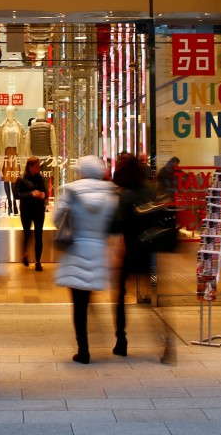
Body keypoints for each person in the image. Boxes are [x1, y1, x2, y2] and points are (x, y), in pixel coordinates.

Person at [54, 155, 118, 364]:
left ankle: (83, 349)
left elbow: (56, 218)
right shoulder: (110, 193)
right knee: (89, 296)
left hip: (76, 249)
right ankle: (99, 335)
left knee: (78, 304)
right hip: (98, 249)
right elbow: (113, 223)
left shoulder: (71, 191)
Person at [109, 153, 154, 355]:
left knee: (120, 296)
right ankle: (165, 339)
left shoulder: (124, 195)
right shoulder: (150, 191)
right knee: (153, 299)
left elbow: (115, 225)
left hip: (130, 251)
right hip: (149, 250)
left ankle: (121, 339)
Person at [16, 156, 47, 271]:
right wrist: (31, 194)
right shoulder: (21, 179)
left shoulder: (41, 178)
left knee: (39, 236)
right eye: (37, 166)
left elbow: (45, 192)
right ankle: (24, 254)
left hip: (39, 210)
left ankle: (38, 262)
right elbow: (17, 195)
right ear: (30, 166)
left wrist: (43, 195)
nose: (39, 167)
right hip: (26, 211)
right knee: (27, 234)